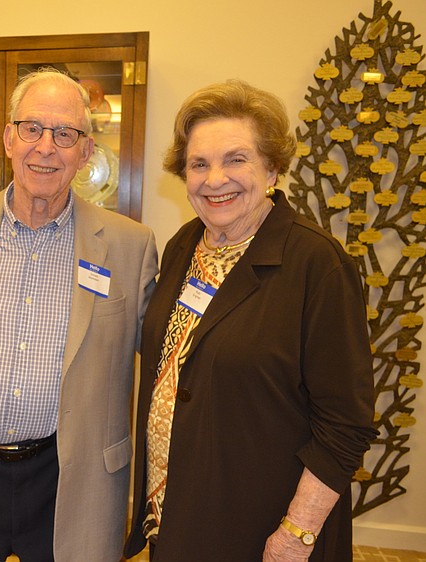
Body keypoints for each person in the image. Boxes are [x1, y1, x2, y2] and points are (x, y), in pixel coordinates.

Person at [124, 80, 378, 561]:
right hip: (177, 516)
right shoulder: (184, 245)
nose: (214, 179)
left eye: (236, 159)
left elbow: (346, 425)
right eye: (199, 164)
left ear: (273, 167)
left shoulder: (317, 265)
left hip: (260, 529)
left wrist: (293, 537)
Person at [0, 68, 158, 562]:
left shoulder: (130, 247)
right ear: (8, 138)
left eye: (65, 134)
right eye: (32, 129)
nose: (46, 147)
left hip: (72, 476)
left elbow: (167, 364)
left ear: (86, 151)